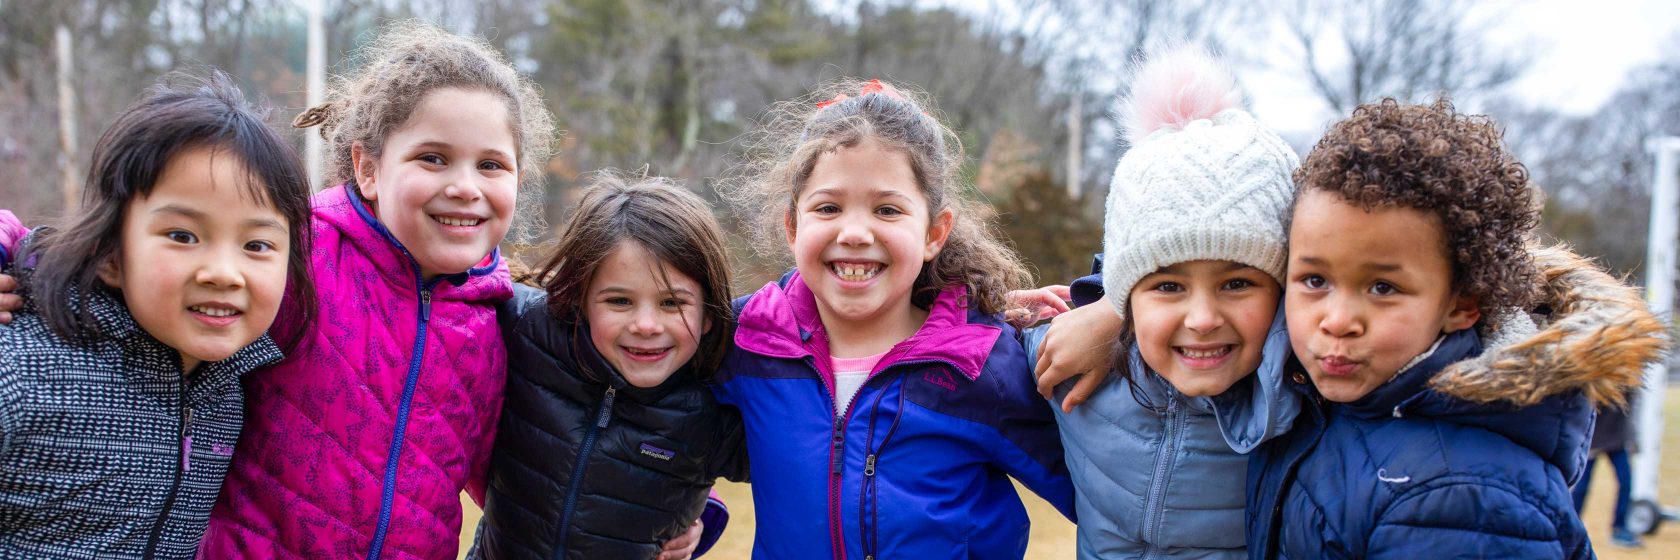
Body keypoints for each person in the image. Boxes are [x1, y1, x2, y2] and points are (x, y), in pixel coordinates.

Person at [1246, 98, 1667, 559]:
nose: (1338, 320)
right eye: (1315, 280)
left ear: (1463, 305)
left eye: (1383, 287)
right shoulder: (1323, 408)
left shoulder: (1462, 497)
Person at [712, 78, 1075, 559]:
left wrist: (1109, 318)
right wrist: (690, 511)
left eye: (887, 209)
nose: (856, 232)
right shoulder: (746, 338)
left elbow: (1110, 496)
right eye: (828, 207)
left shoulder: (984, 364)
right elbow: (654, 419)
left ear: (934, 232)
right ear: (793, 226)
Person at [0, 71, 313, 558]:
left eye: (257, 244)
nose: (224, 273)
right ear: (109, 252)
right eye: (183, 236)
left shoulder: (227, 395)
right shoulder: (23, 368)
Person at [1021, 46, 1301, 558]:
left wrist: (1112, 313)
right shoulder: (1066, 360)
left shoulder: (1317, 395)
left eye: (1237, 283)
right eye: (1168, 286)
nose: (1201, 319)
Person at [469, 174, 748, 559]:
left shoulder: (711, 413)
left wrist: (705, 516)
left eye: (672, 304)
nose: (646, 325)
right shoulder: (525, 331)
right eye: (619, 301)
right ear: (581, 298)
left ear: (709, 316)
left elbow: (813, 459)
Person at [1573, 399, 1644, 549]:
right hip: (1594, 438)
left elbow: (1633, 410)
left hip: (1618, 439)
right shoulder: (1596, 379)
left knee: (1626, 483)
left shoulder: (1631, 381)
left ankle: (1620, 529)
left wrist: (1634, 439)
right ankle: (1570, 526)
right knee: (1581, 487)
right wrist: (1584, 438)